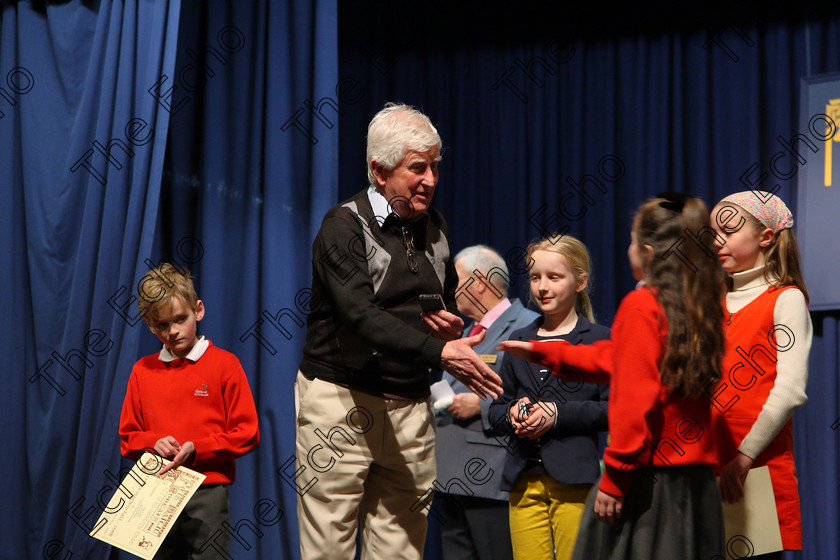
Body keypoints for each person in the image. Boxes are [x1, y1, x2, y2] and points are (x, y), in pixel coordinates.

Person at [295, 102, 503, 560]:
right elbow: (360, 315)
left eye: (434, 166)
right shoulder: (342, 225)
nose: (430, 179)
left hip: (411, 405)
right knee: (328, 549)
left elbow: (440, 303)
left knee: (401, 551)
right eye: (417, 167)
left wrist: (448, 328)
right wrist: (439, 352)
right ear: (379, 169)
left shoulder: (436, 227)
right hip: (342, 401)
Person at [500, 194, 727, 559]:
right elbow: (619, 359)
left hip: (652, 479)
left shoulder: (641, 305)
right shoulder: (701, 303)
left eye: (632, 240)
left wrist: (615, 477)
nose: (628, 248)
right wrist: (546, 350)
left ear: (648, 253)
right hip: (696, 480)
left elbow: (635, 398)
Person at [118, 263, 260, 559]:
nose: (172, 331)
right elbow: (128, 436)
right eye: (161, 326)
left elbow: (247, 433)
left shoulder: (224, 364)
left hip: (207, 491)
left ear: (198, 310)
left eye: (180, 319)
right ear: (149, 324)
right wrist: (152, 442)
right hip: (156, 491)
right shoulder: (142, 370)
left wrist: (199, 449)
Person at [487, 236, 609, 560]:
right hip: (523, 481)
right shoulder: (519, 339)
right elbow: (495, 411)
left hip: (575, 482)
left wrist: (557, 413)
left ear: (579, 281)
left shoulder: (599, 339)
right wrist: (513, 411)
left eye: (554, 277)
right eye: (535, 277)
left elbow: (614, 409)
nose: (542, 286)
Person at [709, 191, 811, 558]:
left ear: (766, 237)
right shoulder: (710, 300)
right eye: (713, 233)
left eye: (729, 231)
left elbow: (789, 391)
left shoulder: (785, 298)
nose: (717, 241)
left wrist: (743, 457)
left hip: (755, 468)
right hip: (705, 465)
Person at [434, 245, 539, 560]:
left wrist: (478, 408)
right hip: (450, 477)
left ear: (479, 282)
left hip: (489, 478)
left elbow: (538, 399)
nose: (450, 290)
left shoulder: (528, 327)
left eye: (457, 280)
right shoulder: (468, 332)